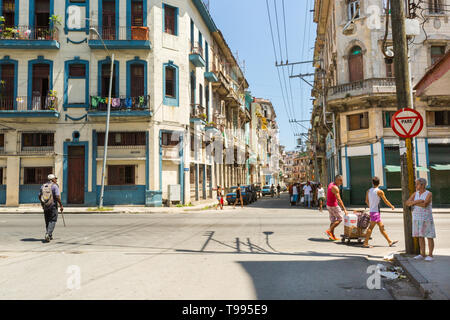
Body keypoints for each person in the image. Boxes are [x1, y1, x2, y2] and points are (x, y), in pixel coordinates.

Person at [362, 177, 398, 248]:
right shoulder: (379, 191)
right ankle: (365, 243)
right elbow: (386, 201)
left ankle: (390, 242)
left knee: (382, 227)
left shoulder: (368, 191)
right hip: (375, 212)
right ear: (379, 183)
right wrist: (392, 206)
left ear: (372, 183)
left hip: (373, 211)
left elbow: (366, 201)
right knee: (371, 228)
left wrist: (371, 206)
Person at [406, 178, 436, 262]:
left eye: (417, 184)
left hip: (426, 218)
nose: (416, 185)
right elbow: (407, 203)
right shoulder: (415, 194)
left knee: (429, 236)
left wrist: (413, 202)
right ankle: (422, 254)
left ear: (422, 185)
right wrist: (418, 201)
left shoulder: (428, 194)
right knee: (420, 236)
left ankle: (430, 254)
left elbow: (425, 204)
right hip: (417, 218)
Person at [39, 174, 63, 243]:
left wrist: (43, 203)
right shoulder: (55, 186)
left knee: (47, 220)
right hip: (53, 206)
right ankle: (48, 234)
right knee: (53, 220)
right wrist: (61, 205)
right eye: (55, 179)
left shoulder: (43, 186)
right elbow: (57, 196)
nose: (56, 180)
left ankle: (50, 235)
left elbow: (39, 195)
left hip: (45, 206)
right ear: (52, 179)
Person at [326, 175, 348, 241]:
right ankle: (329, 231)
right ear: (336, 180)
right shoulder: (335, 188)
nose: (341, 182)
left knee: (333, 221)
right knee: (340, 218)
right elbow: (339, 199)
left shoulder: (331, 184)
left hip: (328, 205)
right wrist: (344, 209)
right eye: (340, 180)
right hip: (333, 205)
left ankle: (331, 236)